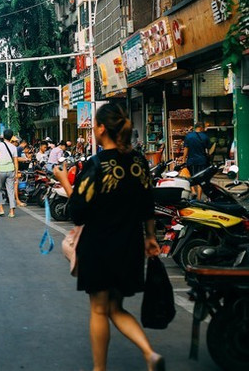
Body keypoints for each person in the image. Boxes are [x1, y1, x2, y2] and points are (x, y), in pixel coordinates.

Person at [53, 103, 164, 371]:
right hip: (130, 244)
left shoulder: (96, 164)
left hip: (99, 246)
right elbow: (148, 204)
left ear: (102, 129)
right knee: (116, 308)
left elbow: (78, 211)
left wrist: (64, 181)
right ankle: (150, 353)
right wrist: (150, 237)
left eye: (95, 126)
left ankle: (99, 369)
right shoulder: (139, 162)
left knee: (100, 310)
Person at [0, 129, 19, 218]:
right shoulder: (14, 147)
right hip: (11, 170)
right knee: (10, 190)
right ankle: (12, 211)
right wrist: (16, 173)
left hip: (0, 170)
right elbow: (16, 161)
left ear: (3, 136)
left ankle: (1, 209)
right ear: (11, 137)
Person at [183, 122, 213, 200]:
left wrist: (183, 159)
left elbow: (186, 149)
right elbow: (209, 150)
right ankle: (199, 198)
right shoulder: (205, 137)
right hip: (202, 161)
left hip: (191, 160)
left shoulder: (188, 136)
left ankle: (193, 191)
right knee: (201, 179)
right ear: (200, 127)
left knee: (191, 177)